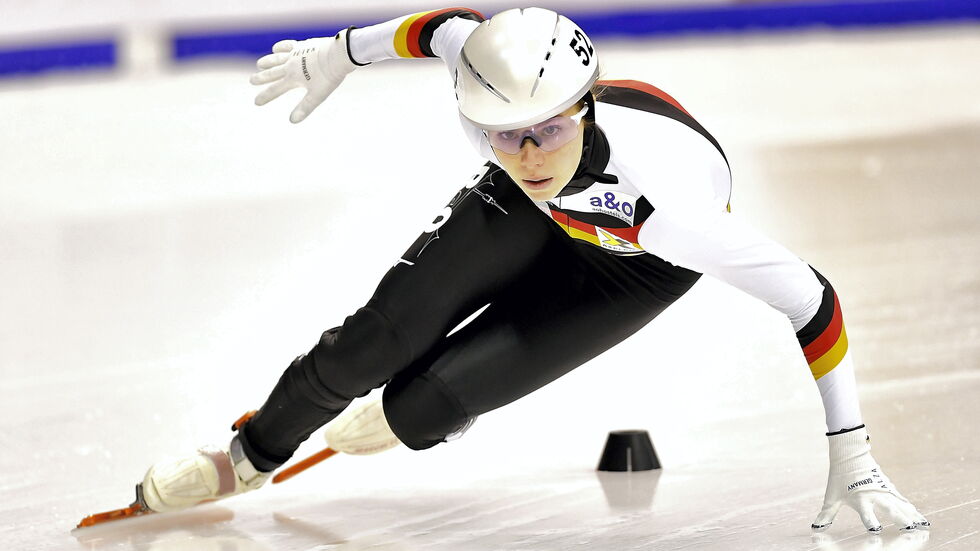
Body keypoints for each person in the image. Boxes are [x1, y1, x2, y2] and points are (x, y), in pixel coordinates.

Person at [136, 7, 928, 534]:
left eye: (547, 132)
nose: (527, 155)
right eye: (501, 134)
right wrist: (339, 54)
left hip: (634, 264)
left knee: (417, 407)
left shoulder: (675, 204)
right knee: (368, 344)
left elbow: (811, 299)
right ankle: (246, 458)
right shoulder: (502, 112)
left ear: (584, 107)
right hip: (528, 214)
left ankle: (438, 403)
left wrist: (851, 451)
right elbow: (446, 27)